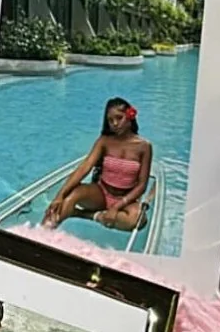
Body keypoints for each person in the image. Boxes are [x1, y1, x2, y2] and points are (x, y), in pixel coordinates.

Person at [42, 96, 152, 232]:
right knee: (72, 195)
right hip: (101, 194)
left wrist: (117, 206)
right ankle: (41, 233)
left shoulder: (144, 146)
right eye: (110, 120)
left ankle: (85, 215)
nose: (115, 124)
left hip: (126, 200)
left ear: (130, 117)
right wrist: (60, 195)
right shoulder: (104, 141)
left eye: (119, 118)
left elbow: (142, 185)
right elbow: (85, 168)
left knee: (138, 220)